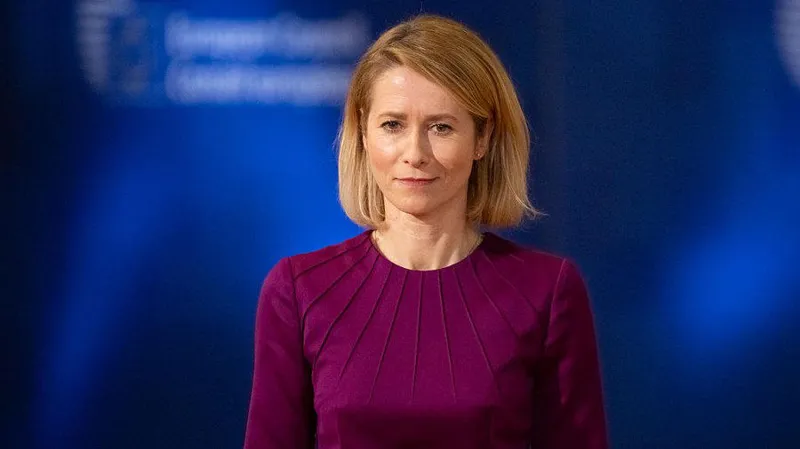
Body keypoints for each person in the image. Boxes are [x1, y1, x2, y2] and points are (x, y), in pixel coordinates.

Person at [243, 14, 608, 449]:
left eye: (441, 127)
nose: (414, 153)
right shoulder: (298, 291)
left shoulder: (547, 291)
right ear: (364, 134)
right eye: (393, 125)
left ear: (482, 138)